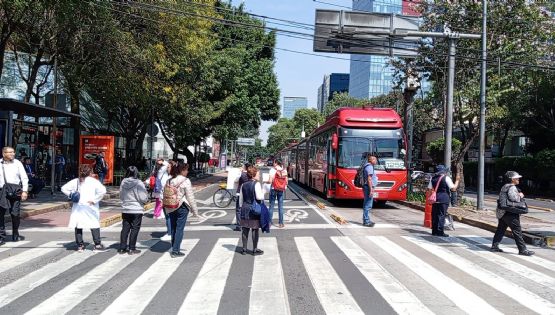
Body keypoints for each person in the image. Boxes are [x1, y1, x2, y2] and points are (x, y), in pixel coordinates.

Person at [62, 164, 107, 252]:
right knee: (94, 224)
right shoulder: (93, 181)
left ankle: (80, 245)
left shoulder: (76, 181)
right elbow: (103, 191)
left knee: (78, 225)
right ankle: (97, 245)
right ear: (90, 172)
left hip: (78, 206)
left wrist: (71, 195)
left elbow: (63, 188)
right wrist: (94, 200)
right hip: (90, 205)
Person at [491, 171, 534, 256]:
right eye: (517, 178)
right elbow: (514, 198)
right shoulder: (512, 187)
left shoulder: (504, 186)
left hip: (503, 212)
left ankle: (494, 246)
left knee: (501, 229)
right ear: (512, 179)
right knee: (517, 231)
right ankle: (523, 250)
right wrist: (520, 195)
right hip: (511, 213)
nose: (518, 179)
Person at [165, 162, 198, 258]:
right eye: (186, 170)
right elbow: (190, 197)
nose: (187, 171)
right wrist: (195, 211)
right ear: (182, 170)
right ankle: (175, 250)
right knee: (179, 228)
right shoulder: (185, 181)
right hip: (181, 206)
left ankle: (174, 247)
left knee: (173, 228)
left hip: (171, 206)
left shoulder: (170, 180)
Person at [0, 146, 29, 245]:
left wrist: (25, 191)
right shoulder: (0, 163)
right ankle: (1, 236)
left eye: (13, 152)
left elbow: (24, 178)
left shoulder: (17, 163)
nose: (13, 154)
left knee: (14, 213)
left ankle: (15, 231)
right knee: (0, 214)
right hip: (2, 191)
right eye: (10, 152)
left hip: (15, 190)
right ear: (4, 154)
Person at [119, 166, 149, 255]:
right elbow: (143, 197)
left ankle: (122, 248)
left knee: (125, 228)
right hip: (136, 209)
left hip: (126, 208)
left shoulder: (123, 182)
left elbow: (121, 195)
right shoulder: (139, 183)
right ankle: (132, 248)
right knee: (135, 228)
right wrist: (146, 200)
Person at [427, 164, 460, 237]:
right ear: (443, 171)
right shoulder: (446, 178)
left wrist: (429, 198)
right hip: (444, 199)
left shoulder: (432, 178)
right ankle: (440, 231)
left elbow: (429, 190)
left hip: (435, 199)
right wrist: (457, 181)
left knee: (435, 215)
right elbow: (453, 188)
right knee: (441, 215)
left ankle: (434, 231)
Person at [239, 166, 264, 256]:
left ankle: (244, 249)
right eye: (258, 173)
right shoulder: (256, 184)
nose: (259, 175)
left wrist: (242, 207)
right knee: (255, 229)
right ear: (253, 175)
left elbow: (241, 199)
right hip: (253, 209)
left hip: (245, 208)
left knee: (245, 229)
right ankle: (254, 249)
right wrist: (263, 191)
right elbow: (259, 197)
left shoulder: (243, 185)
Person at [268, 159, 288, 228]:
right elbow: (286, 182)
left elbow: (270, 181)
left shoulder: (272, 170)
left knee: (271, 206)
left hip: (274, 188)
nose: (273, 163)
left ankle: (269, 223)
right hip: (281, 189)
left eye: (274, 162)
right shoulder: (284, 170)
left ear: (276, 163)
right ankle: (281, 223)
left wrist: (267, 182)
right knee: (281, 206)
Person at [159, 160, 176, 241]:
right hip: (168, 199)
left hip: (168, 200)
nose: (167, 168)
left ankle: (170, 233)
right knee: (169, 217)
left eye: (168, 167)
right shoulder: (171, 177)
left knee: (168, 217)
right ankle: (170, 232)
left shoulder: (170, 178)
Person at [362, 153, 378, 227]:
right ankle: (366, 221)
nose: (376, 160)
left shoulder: (368, 166)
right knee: (368, 205)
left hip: (367, 187)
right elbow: (369, 179)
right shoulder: (370, 167)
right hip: (368, 187)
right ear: (371, 160)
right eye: (374, 159)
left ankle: (366, 219)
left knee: (367, 204)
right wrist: (371, 190)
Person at [234, 163, 251, 231]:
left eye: (242, 166)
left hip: (240, 193)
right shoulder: (250, 174)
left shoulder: (242, 174)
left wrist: (240, 172)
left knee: (238, 209)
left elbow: (235, 180)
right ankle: (246, 223)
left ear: (244, 167)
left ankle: (239, 225)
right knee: (247, 208)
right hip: (248, 193)